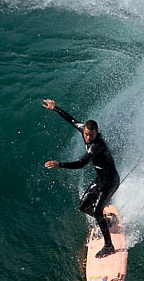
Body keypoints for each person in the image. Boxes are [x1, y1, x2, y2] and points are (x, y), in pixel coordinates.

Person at [42, 99, 121, 258]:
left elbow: (80, 164)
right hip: (101, 179)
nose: (87, 138)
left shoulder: (97, 146)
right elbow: (72, 120)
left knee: (97, 210)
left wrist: (59, 164)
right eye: (85, 134)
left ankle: (109, 246)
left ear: (96, 133)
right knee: (84, 206)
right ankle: (106, 221)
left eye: (91, 135)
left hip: (111, 181)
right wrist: (55, 108)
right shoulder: (83, 130)